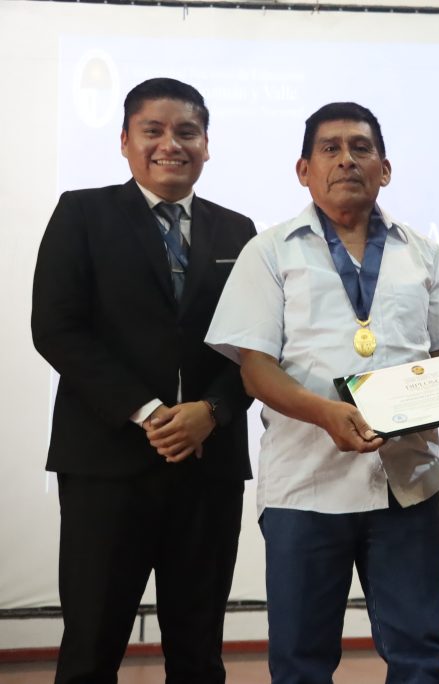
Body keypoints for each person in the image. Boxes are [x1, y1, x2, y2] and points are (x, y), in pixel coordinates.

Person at [205, 101, 439, 684]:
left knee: (420, 660)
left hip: (406, 484)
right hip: (305, 486)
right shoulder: (270, 251)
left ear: (384, 169)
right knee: (301, 664)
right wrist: (325, 413)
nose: (346, 159)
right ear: (304, 170)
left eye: (361, 148)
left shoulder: (422, 252)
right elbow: (256, 370)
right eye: (330, 148)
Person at [31, 77, 255, 683]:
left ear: (206, 144)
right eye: (152, 131)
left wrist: (212, 410)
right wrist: (150, 410)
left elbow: (257, 346)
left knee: (199, 651)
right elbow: (56, 328)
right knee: (91, 646)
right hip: (106, 466)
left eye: (187, 132)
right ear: (125, 141)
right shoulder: (82, 212)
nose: (170, 144)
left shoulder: (238, 230)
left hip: (209, 465)